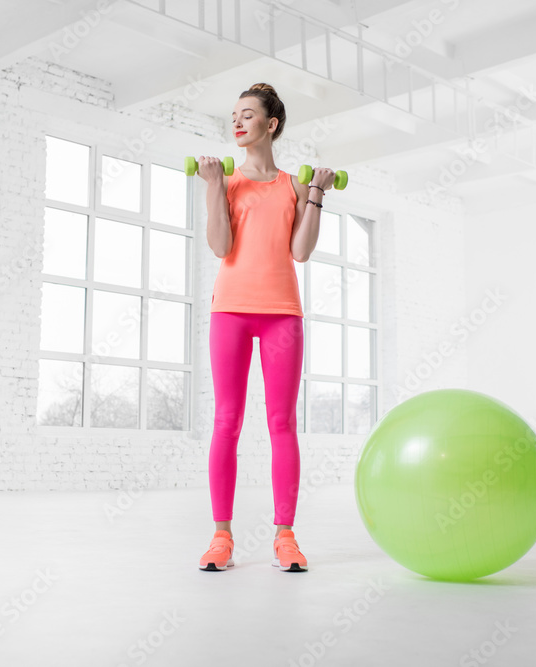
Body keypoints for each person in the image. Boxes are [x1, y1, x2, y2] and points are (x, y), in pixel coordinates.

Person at [196, 83, 335, 572]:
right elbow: (220, 246)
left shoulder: (291, 186)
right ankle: (221, 537)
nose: (237, 122)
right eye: (233, 114)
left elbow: (300, 252)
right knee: (226, 421)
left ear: (270, 124)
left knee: (282, 423)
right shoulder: (228, 181)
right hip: (230, 309)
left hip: (282, 313)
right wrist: (214, 186)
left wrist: (316, 191)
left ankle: (285, 536)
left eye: (247, 115)